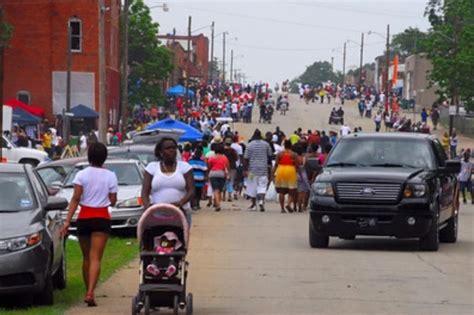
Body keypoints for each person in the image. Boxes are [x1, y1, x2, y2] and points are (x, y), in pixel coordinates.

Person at [60, 143, 118, 307]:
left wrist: (67, 221)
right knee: (95, 258)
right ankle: (91, 292)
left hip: (84, 217)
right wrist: (107, 198)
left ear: (89, 156)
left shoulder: (81, 175)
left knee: (86, 258)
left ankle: (88, 290)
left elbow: (76, 198)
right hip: (101, 217)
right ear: (104, 157)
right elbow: (112, 201)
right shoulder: (110, 176)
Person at [141, 138, 194, 223]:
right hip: (157, 213)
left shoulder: (185, 167)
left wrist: (180, 203)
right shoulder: (152, 167)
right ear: (160, 152)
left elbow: (191, 190)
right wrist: (148, 207)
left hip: (180, 212)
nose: (172, 150)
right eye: (168, 148)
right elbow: (145, 192)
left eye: (174, 148)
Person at [244, 129, 273, 212]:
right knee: (262, 187)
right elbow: (270, 156)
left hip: (252, 171)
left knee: (252, 187)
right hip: (263, 170)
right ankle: (261, 201)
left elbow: (245, 158)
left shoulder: (249, 145)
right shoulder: (266, 144)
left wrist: (245, 170)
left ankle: (253, 205)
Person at [273, 140, 298, 213]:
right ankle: (288, 204)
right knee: (292, 190)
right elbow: (296, 165)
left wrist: (273, 174)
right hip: (290, 170)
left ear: (284, 146)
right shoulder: (294, 154)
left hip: (281, 170)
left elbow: (276, 165)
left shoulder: (280, 154)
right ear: (291, 146)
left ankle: (282, 208)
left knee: (281, 191)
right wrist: (296, 172)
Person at [207, 143, 229, 211]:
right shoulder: (225, 158)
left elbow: (209, 166)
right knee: (219, 190)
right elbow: (228, 167)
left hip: (213, 174)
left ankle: (217, 204)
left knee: (215, 190)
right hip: (222, 174)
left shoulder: (212, 158)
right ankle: (217, 203)